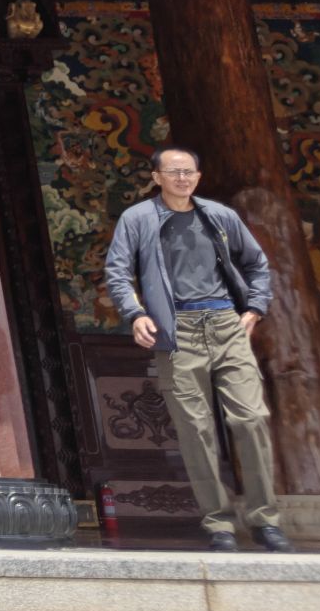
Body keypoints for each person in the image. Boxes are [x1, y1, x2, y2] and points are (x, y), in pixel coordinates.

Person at [103, 146, 293, 552]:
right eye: (173, 172)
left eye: (189, 172)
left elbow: (256, 264)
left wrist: (255, 308)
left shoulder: (220, 216)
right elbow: (117, 271)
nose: (182, 178)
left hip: (225, 324)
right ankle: (219, 523)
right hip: (178, 332)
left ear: (198, 176)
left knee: (251, 418)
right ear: (156, 177)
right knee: (196, 430)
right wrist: (135, 314)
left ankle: (264, 520)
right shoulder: (137, 218)